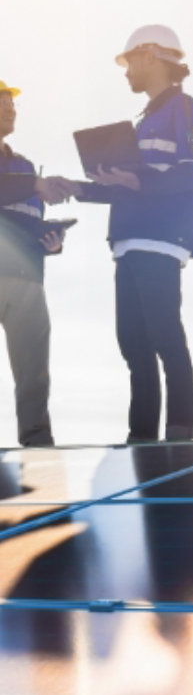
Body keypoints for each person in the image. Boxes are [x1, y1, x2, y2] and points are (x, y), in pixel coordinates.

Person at [73, 26, 193, 443]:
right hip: (129, 241)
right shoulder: (143, 122)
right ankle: (142, 438)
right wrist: (76, 186)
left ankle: (181, 434)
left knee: (164, 333)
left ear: (151, 55)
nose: (126, 72)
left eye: (129, 61)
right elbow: (125, 184)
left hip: (161, 240)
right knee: (133, 340)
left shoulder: (188, 113)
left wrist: (140, 183)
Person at [0, 80, 73, 447]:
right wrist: (34, 184)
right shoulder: (29, 178)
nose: (10, 108)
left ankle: (37, 446)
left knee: (34, 375)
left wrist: (51, 242)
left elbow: (25, 224)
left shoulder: (26, 167)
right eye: (2, 102)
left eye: (13, 103)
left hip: (28, 282)